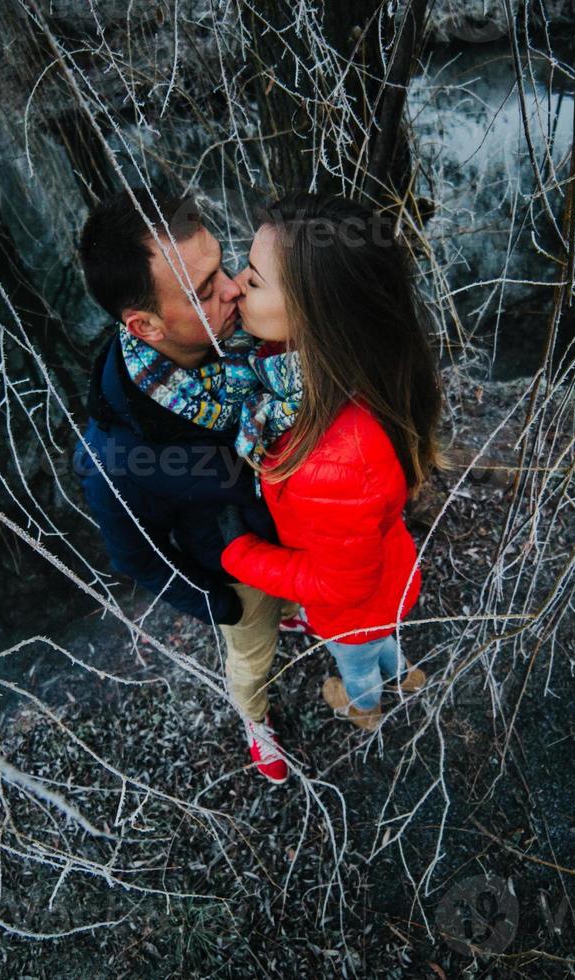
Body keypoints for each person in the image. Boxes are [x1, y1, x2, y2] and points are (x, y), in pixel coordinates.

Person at [74, 189, 305, 783]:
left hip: (291, 531)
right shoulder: (119, 455)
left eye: (222, 266)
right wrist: (217, 601)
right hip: (236, 568)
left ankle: (293, 608)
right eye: (204, 290)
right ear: (145, 325)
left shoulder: (244, 337)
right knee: (253, 659)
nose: (232, 288)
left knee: (300, 596)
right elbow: (137, 556)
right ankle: (256, 720)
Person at [217, 193, 442, 731]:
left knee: (355, 659)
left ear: (316, 315)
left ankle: (364, 707)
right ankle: (404, 674)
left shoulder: (335, 459)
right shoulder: (340, 377)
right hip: (384, 574)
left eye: (253, 278)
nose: (233, 285)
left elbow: (339, 585)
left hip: (352, 606)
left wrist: (240, 554)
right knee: (382, 639)